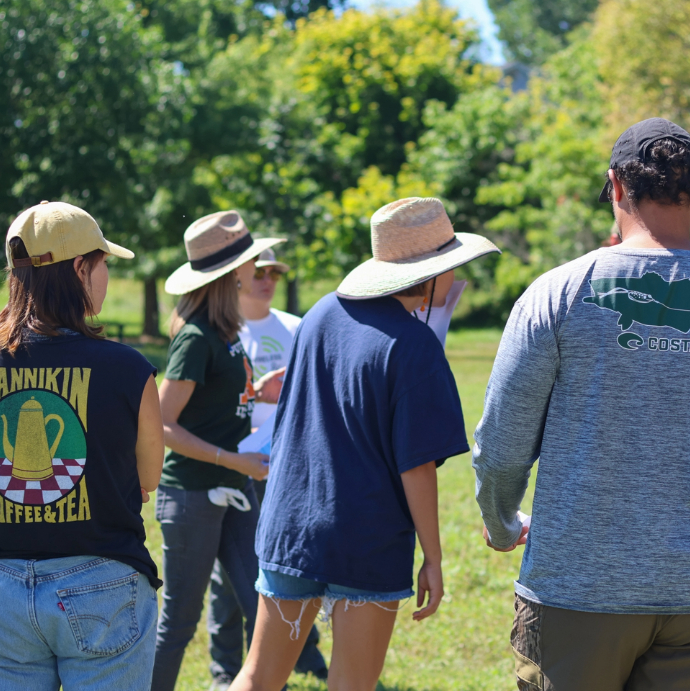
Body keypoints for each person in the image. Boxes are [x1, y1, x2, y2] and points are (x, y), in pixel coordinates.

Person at [473, 118, 690, 690]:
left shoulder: (555, 295)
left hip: (578, 590)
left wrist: (502, 523)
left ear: (614, 186)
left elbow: (502, 448)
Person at [228, 197, 500, 691]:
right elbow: (416, 466)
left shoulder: (319, 313)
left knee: (257, 678)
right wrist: (434, 559)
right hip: (366, 539)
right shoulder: (416, 346)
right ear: (432, 273)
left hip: (291, 526)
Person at [0, 201, 164, 690]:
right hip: (103, 583)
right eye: (103, 263)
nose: (104, 275)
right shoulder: (128, 370)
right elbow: (147, 480)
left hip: (0, 590)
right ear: (81, 267)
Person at [151, 211, 283, 690]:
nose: (259, 267)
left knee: (265, 607)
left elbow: (211, 405)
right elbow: (162, 425)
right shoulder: (195, 336)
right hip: (192, 497)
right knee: (179, 623)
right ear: (232, 272)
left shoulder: (226, 330)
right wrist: (235, 461)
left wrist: (257, 391)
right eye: (252, 260)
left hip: (233, 488)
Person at [206, 248, 327, 689]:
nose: (267, 279)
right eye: (258, 271)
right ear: (237, 277)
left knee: (291, 561)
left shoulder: (296, 327)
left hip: (289, 463)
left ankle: (303, 652)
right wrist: (255, 394)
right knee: (230, 567)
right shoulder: (221, 331)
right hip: (234, 461)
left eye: (274, 272)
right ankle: (225, 667)